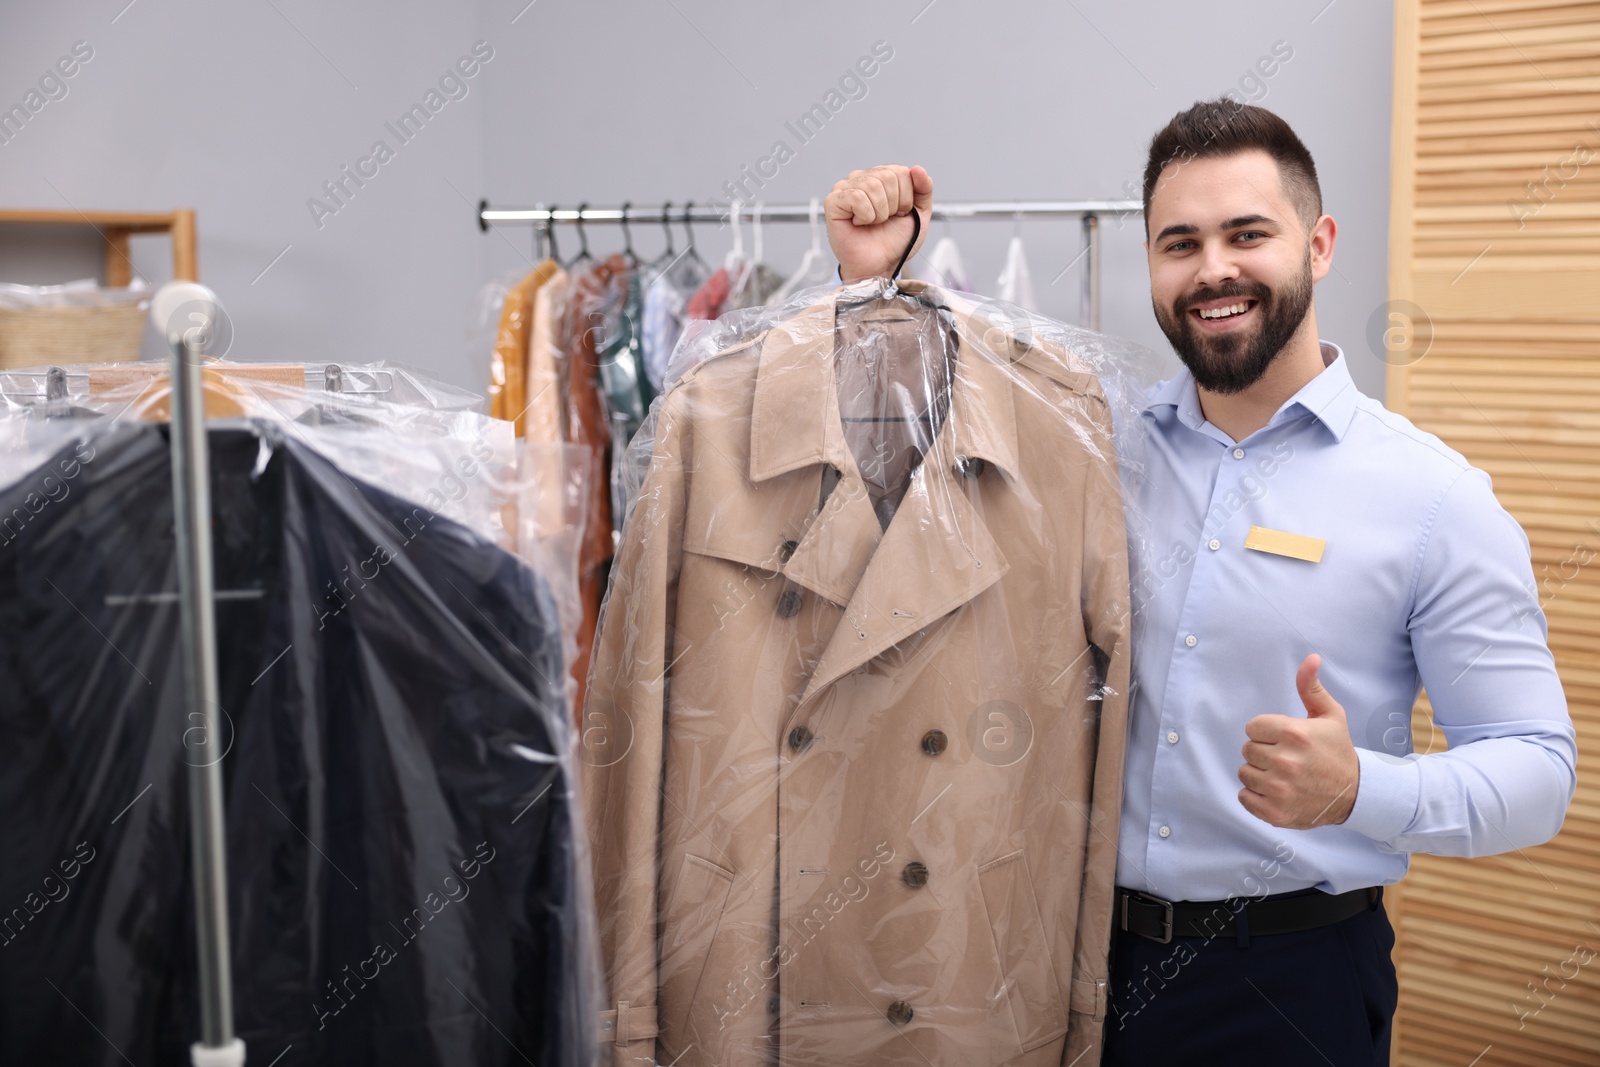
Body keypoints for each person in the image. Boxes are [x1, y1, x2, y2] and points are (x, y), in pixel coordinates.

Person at [823, 99, 1576, 1066]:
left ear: (1320, 244)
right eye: (1180, 243)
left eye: (1247, 234)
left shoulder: (1434, 498)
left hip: (1289, 983)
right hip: (1073, 958)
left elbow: (1537, 770)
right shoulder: (1094, 448)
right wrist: (871, 284)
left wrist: (1360, 789)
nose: (1213, 268)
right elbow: (910, 474)